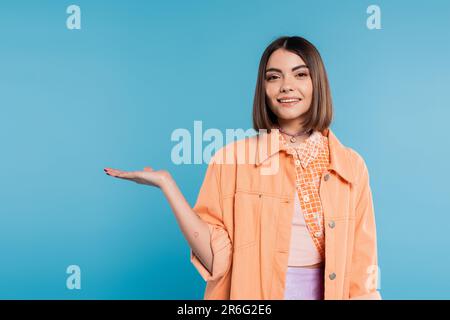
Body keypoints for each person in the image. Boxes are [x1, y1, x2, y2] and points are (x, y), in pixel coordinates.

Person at [104, 36, 381, 300]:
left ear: (317, 83)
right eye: (274, 77)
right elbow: (215, 259)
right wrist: (167, 185)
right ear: (264, 88)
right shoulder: (232, 160)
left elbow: (363, 269)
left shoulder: (351, 167)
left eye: (300, 74)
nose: (286, 86)